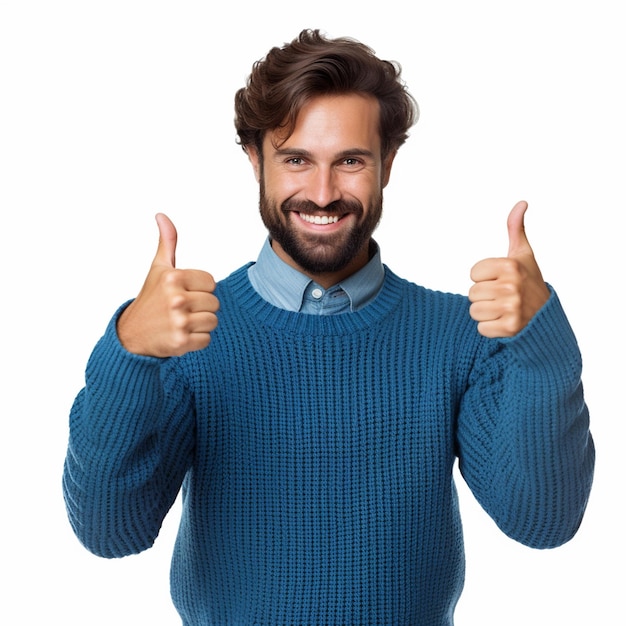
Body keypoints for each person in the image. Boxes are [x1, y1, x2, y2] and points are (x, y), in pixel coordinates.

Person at [62, 29, 594, 625]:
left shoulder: (458, 337)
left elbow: (544, 521)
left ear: (387, 164)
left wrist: (542, 346)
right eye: (296, 160)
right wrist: (129, 351)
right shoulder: (186, 334)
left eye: (350, 161)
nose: (322, 193)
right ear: (254, 160)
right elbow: (109, 532)